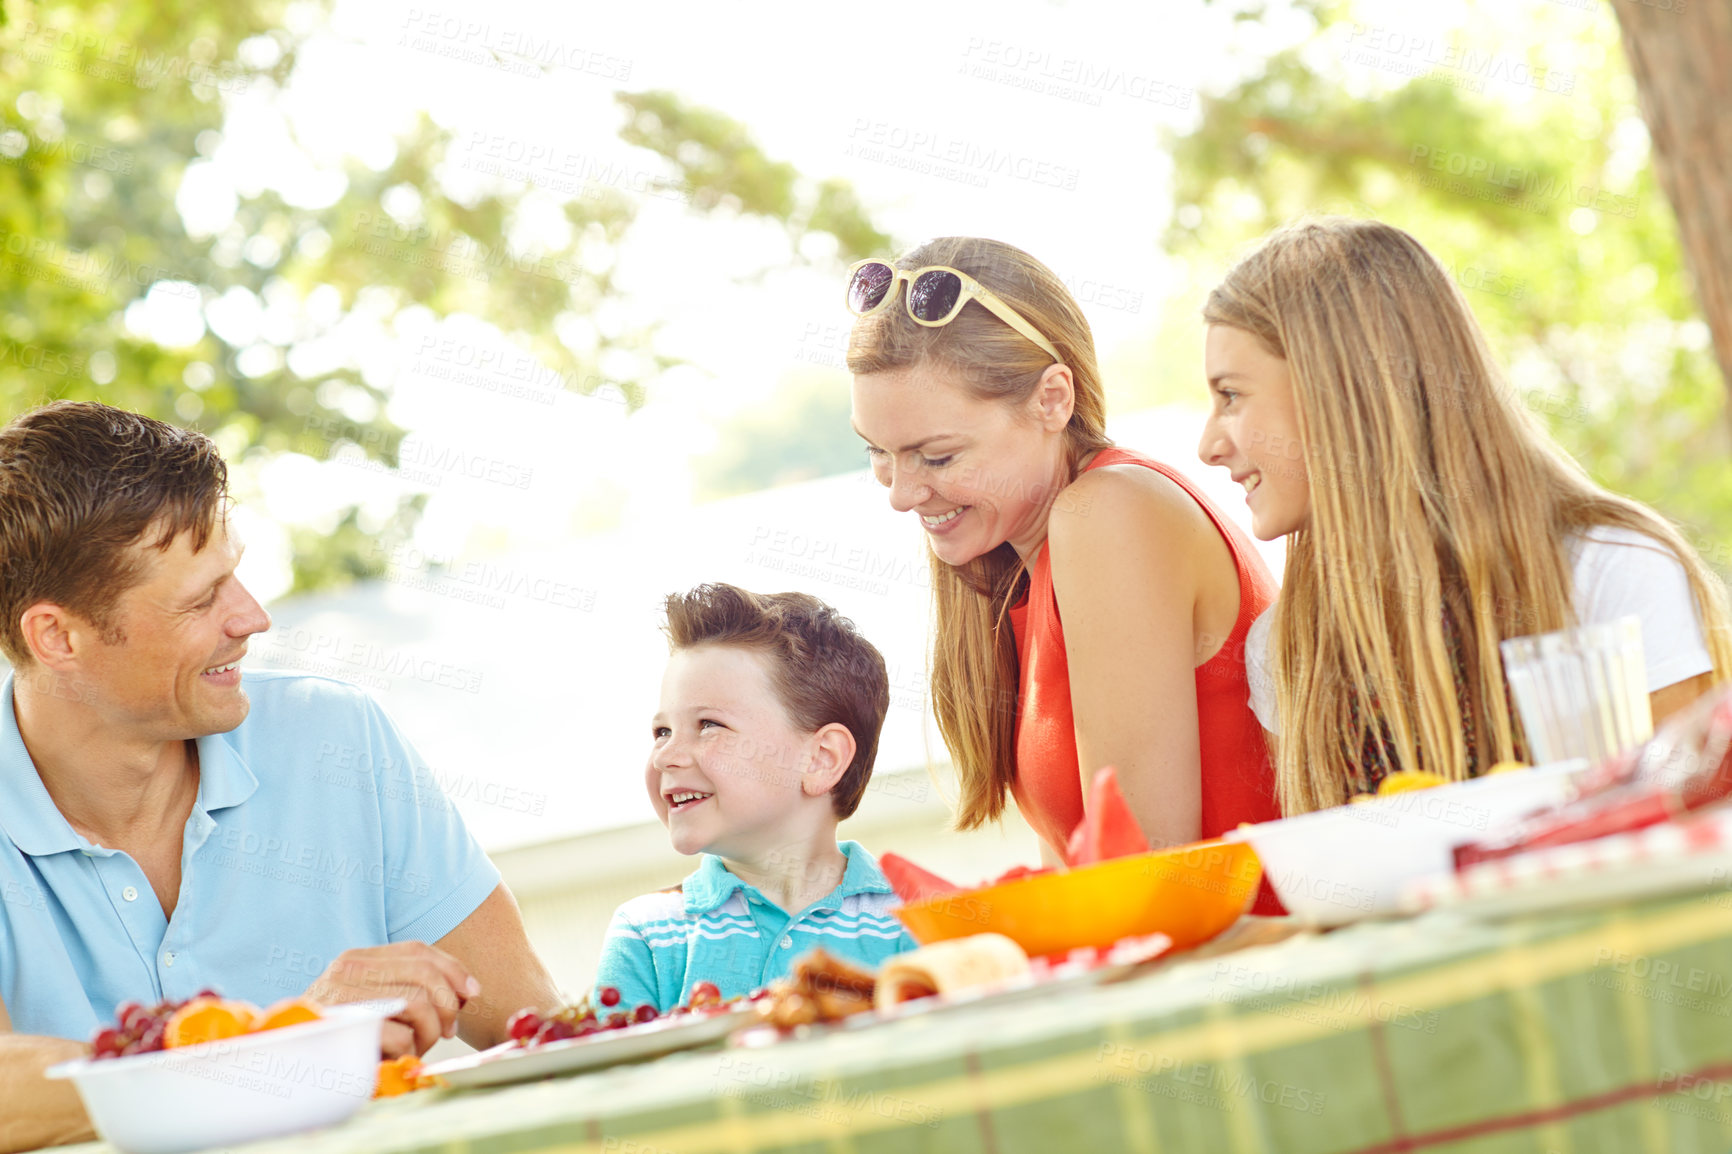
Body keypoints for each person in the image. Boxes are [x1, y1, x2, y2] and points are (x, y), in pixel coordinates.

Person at [0, 402, 559, 1152]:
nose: (253, 617)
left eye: (235, 576)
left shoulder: (338, 741)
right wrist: (293, 1044)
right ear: (58, 636)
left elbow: (537, 1032)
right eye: (202, 599)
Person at [1197, 216, 1732, 815]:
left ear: (1343, 391)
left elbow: (1682, 831)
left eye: (1231, 396)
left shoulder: (1608, 568)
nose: (1208, 445)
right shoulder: (1287, 647)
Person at [844, 238, 1283, 878]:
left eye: (937, 456)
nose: (902, 494)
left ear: (1052, 399)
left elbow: (1142, 874)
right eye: (877, 452)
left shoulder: (1107, 512)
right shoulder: (1026, 564)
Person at [591, 584, 915, 1013]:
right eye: (662, 731)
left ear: (820, 759)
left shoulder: (914, 920)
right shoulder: (647, 935)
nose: (665, 755)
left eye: (709, 724)